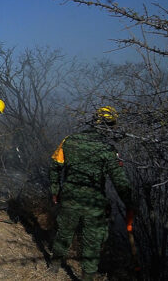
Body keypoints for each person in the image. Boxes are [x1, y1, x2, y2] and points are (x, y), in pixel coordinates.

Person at [48, 106, 135, 281]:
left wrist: (55, 190)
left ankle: (53, 268)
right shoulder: (108, 150)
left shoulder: (69, 140)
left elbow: (54, 167)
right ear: (109, 125)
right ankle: (87, 277)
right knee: (92, 243)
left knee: (64, 234)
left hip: (70, 199)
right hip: (94, 205)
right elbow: (119, 180)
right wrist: (129, 204)